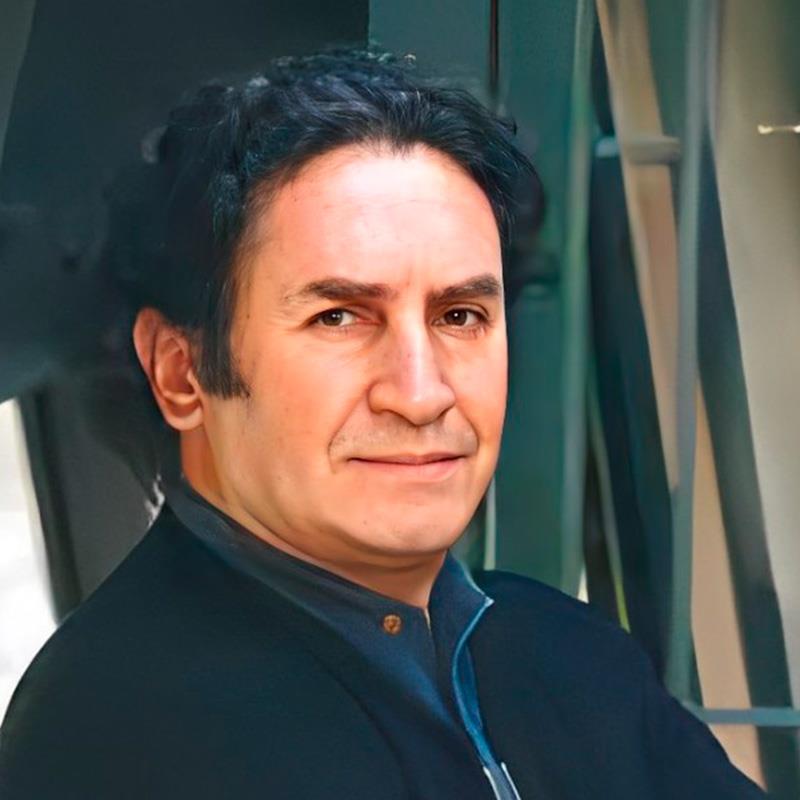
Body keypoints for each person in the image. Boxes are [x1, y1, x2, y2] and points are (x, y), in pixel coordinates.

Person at [0, 49, 766, 799]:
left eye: (459, 315)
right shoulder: (119, 731)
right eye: (339, 317)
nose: (422, 394)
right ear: (182, 371)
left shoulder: (562, 648)